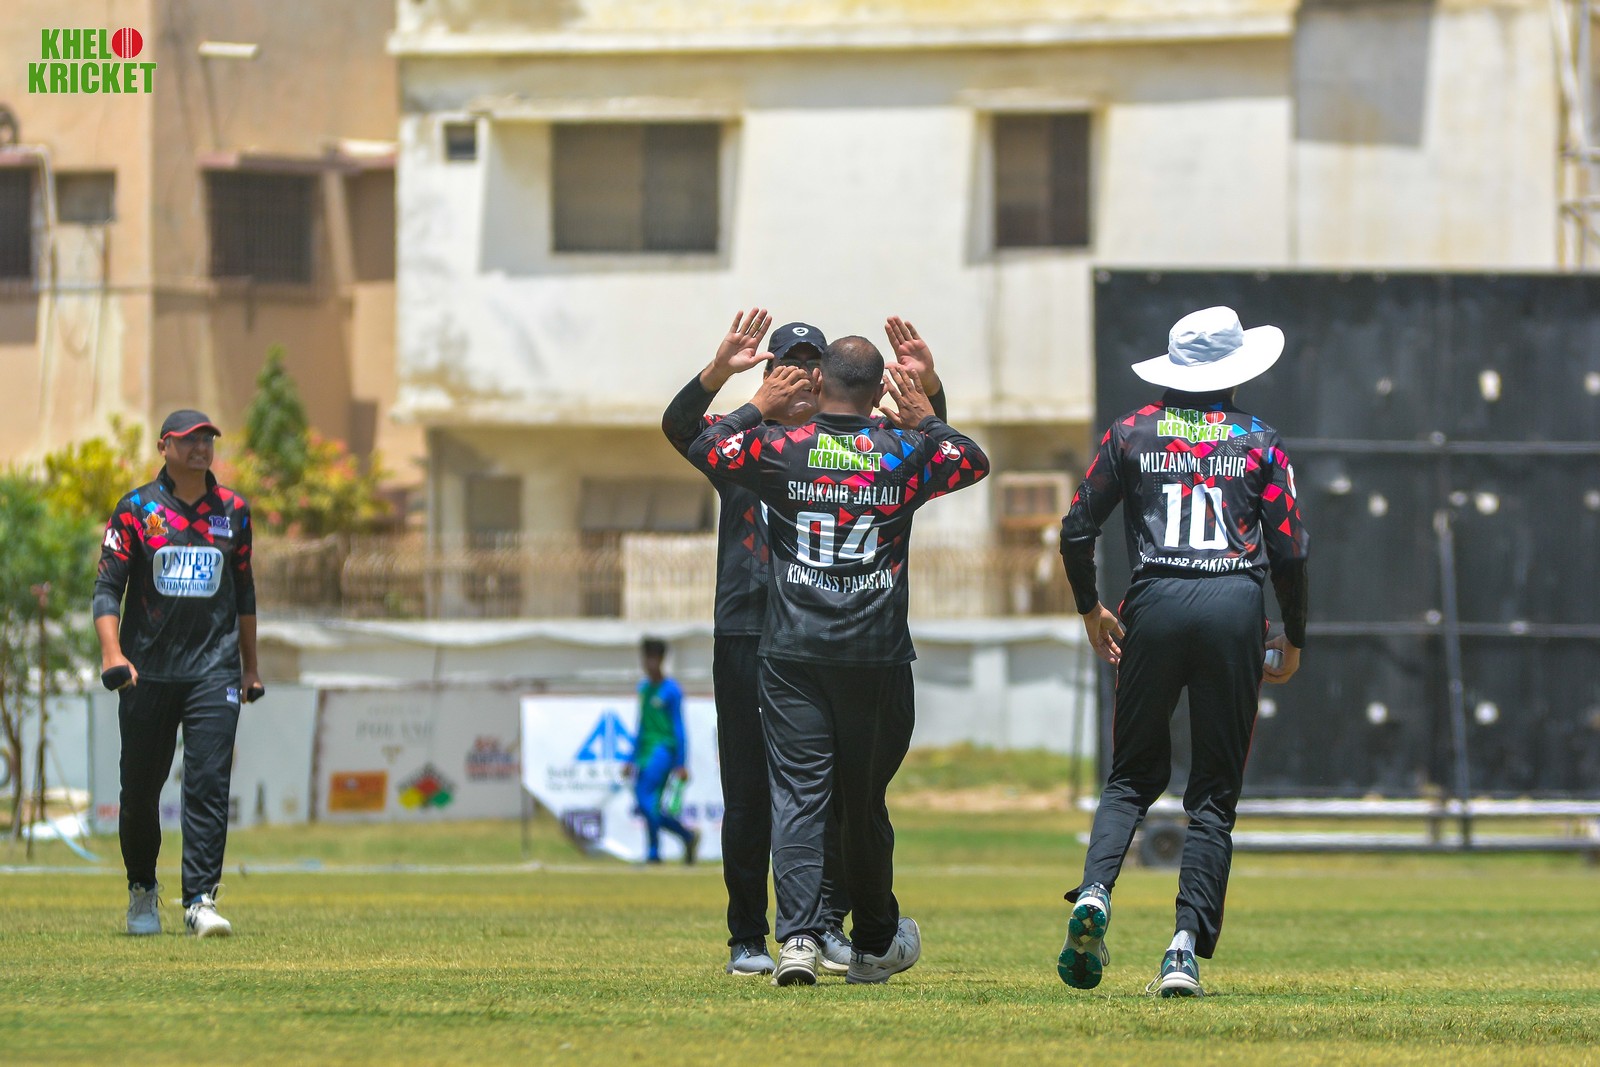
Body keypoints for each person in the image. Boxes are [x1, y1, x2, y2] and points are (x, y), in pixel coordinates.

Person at [689, 338, 988, 987]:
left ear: (820, 384)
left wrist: (756, 405)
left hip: (793, 651)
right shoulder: (901, 450)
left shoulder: (782, 446)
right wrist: (927, 416)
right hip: (874, 652)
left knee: (798, 797)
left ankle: (797, 939)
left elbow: (706, 446)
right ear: (879, 389)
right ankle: (871, 939)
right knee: (862, 804)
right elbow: (971, 460)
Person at [1056, 306, 1310, 997]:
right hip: (1234, 608)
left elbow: (1076, 528)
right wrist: (1293, 634)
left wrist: (1090, 608)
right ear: (1236, 370)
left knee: (1130, 777)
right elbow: (1289, 550)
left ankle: (1095, 893)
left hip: (1155, 604)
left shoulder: (1131, 432)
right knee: (1214, 794)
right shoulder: (1260, 441)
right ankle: (1182, 950)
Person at [92, 409, 262, 938]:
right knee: (140, 791)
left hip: (215, 670)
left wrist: (251, 668)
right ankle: (142, 891)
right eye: (189, 440)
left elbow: (245, 593)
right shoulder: (136, 509)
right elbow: (107, 588)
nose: (200, 448)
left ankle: (200, 901)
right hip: (147, 672)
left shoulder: (234, 511)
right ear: (164, 446)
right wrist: (113, 654)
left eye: (207, 439)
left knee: (208, 784)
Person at [626, 637, 700, 865]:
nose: (648, 663)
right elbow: (641, 726)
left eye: (653, 658)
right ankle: (685, 836)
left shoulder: (671, 690)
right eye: (645, 658)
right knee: (648, 804)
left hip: (663, 751)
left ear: (661, 659)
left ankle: (654, 852)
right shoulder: (644, 689)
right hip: (645, 752)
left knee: (645, 798)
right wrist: (631, 758)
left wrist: (681, 762)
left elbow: (679, 727)